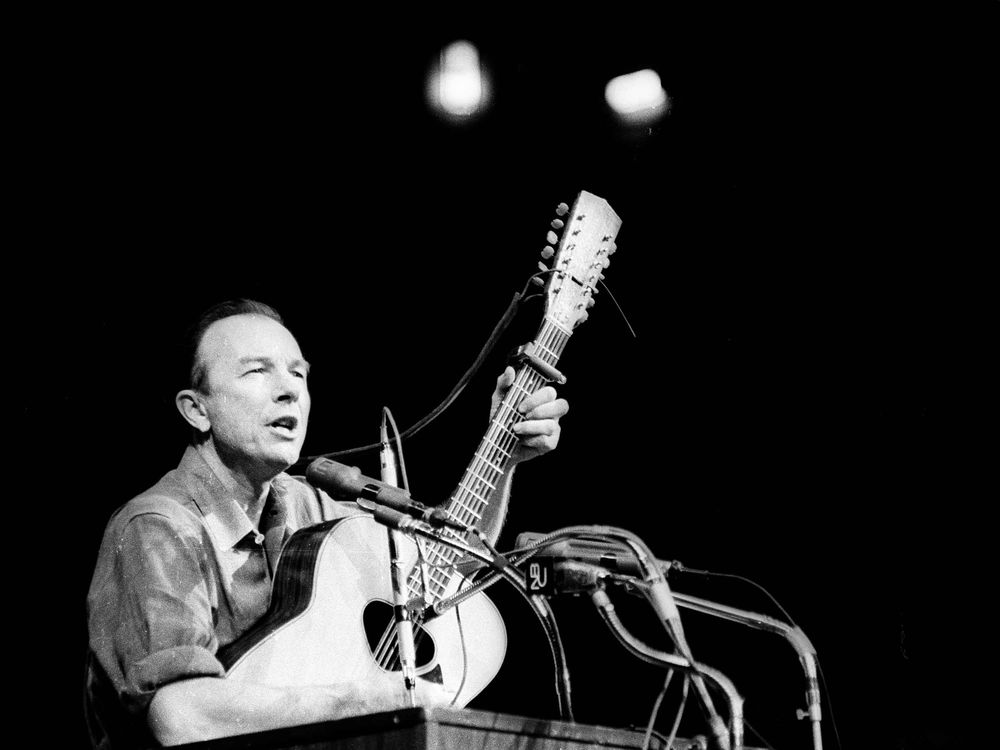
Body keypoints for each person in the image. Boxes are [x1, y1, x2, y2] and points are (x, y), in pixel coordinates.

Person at [84, 298, 569, 748]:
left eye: (299, 373)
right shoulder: (157, 528)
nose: (288, 390)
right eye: (257, 371)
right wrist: (367, 698)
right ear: (197, 409)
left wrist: (503, 453)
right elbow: (181, 716)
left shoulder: (309, 506)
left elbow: (442, 569)